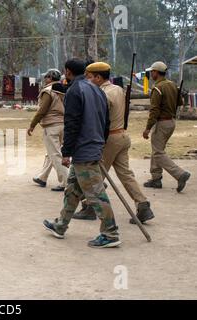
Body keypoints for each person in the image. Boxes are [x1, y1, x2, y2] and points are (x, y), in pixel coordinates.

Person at [43, 58, 121, 249]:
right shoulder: (97, 89)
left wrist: (66, 151)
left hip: (84, 150)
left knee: (94, 194)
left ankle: (110, 234)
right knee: (72, 190)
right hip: (92, 146)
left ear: (68, 72)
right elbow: (106, 122)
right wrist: (100, 143)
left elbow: (72, 124)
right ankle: (61, 225)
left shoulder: (74, 91)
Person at [73, 62, 154, 224]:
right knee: (126, 174)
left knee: (95, 175)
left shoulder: (101, 93)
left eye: (90, 77)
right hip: (122, 136)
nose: (88, 81)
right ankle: (143, 205)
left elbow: (98, 119)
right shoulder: (117, 89)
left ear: (98, 77)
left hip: (109, 138)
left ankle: (89, 207)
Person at [143, 61, 191, 192]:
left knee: (158, 152)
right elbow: (180, 102)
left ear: (156, 72)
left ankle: (179, 174)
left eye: (152, 71)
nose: (151, 74)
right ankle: (156, 178)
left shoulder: (157, 88)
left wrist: (147, 128)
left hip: (162, 122)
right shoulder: (172, 85)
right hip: (171, 122)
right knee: (157, 150)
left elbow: (154, 111)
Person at [28, 69, 68, 192]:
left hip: (52, 126)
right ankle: (42, 177)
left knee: (55, 154)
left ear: (50, 78)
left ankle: (65, 181)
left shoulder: (48, 91)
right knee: (51, 153)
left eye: (46, 77)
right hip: (63, 125)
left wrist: (32, 125)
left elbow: (42, 110)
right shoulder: (65, 90)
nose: (45, 79)